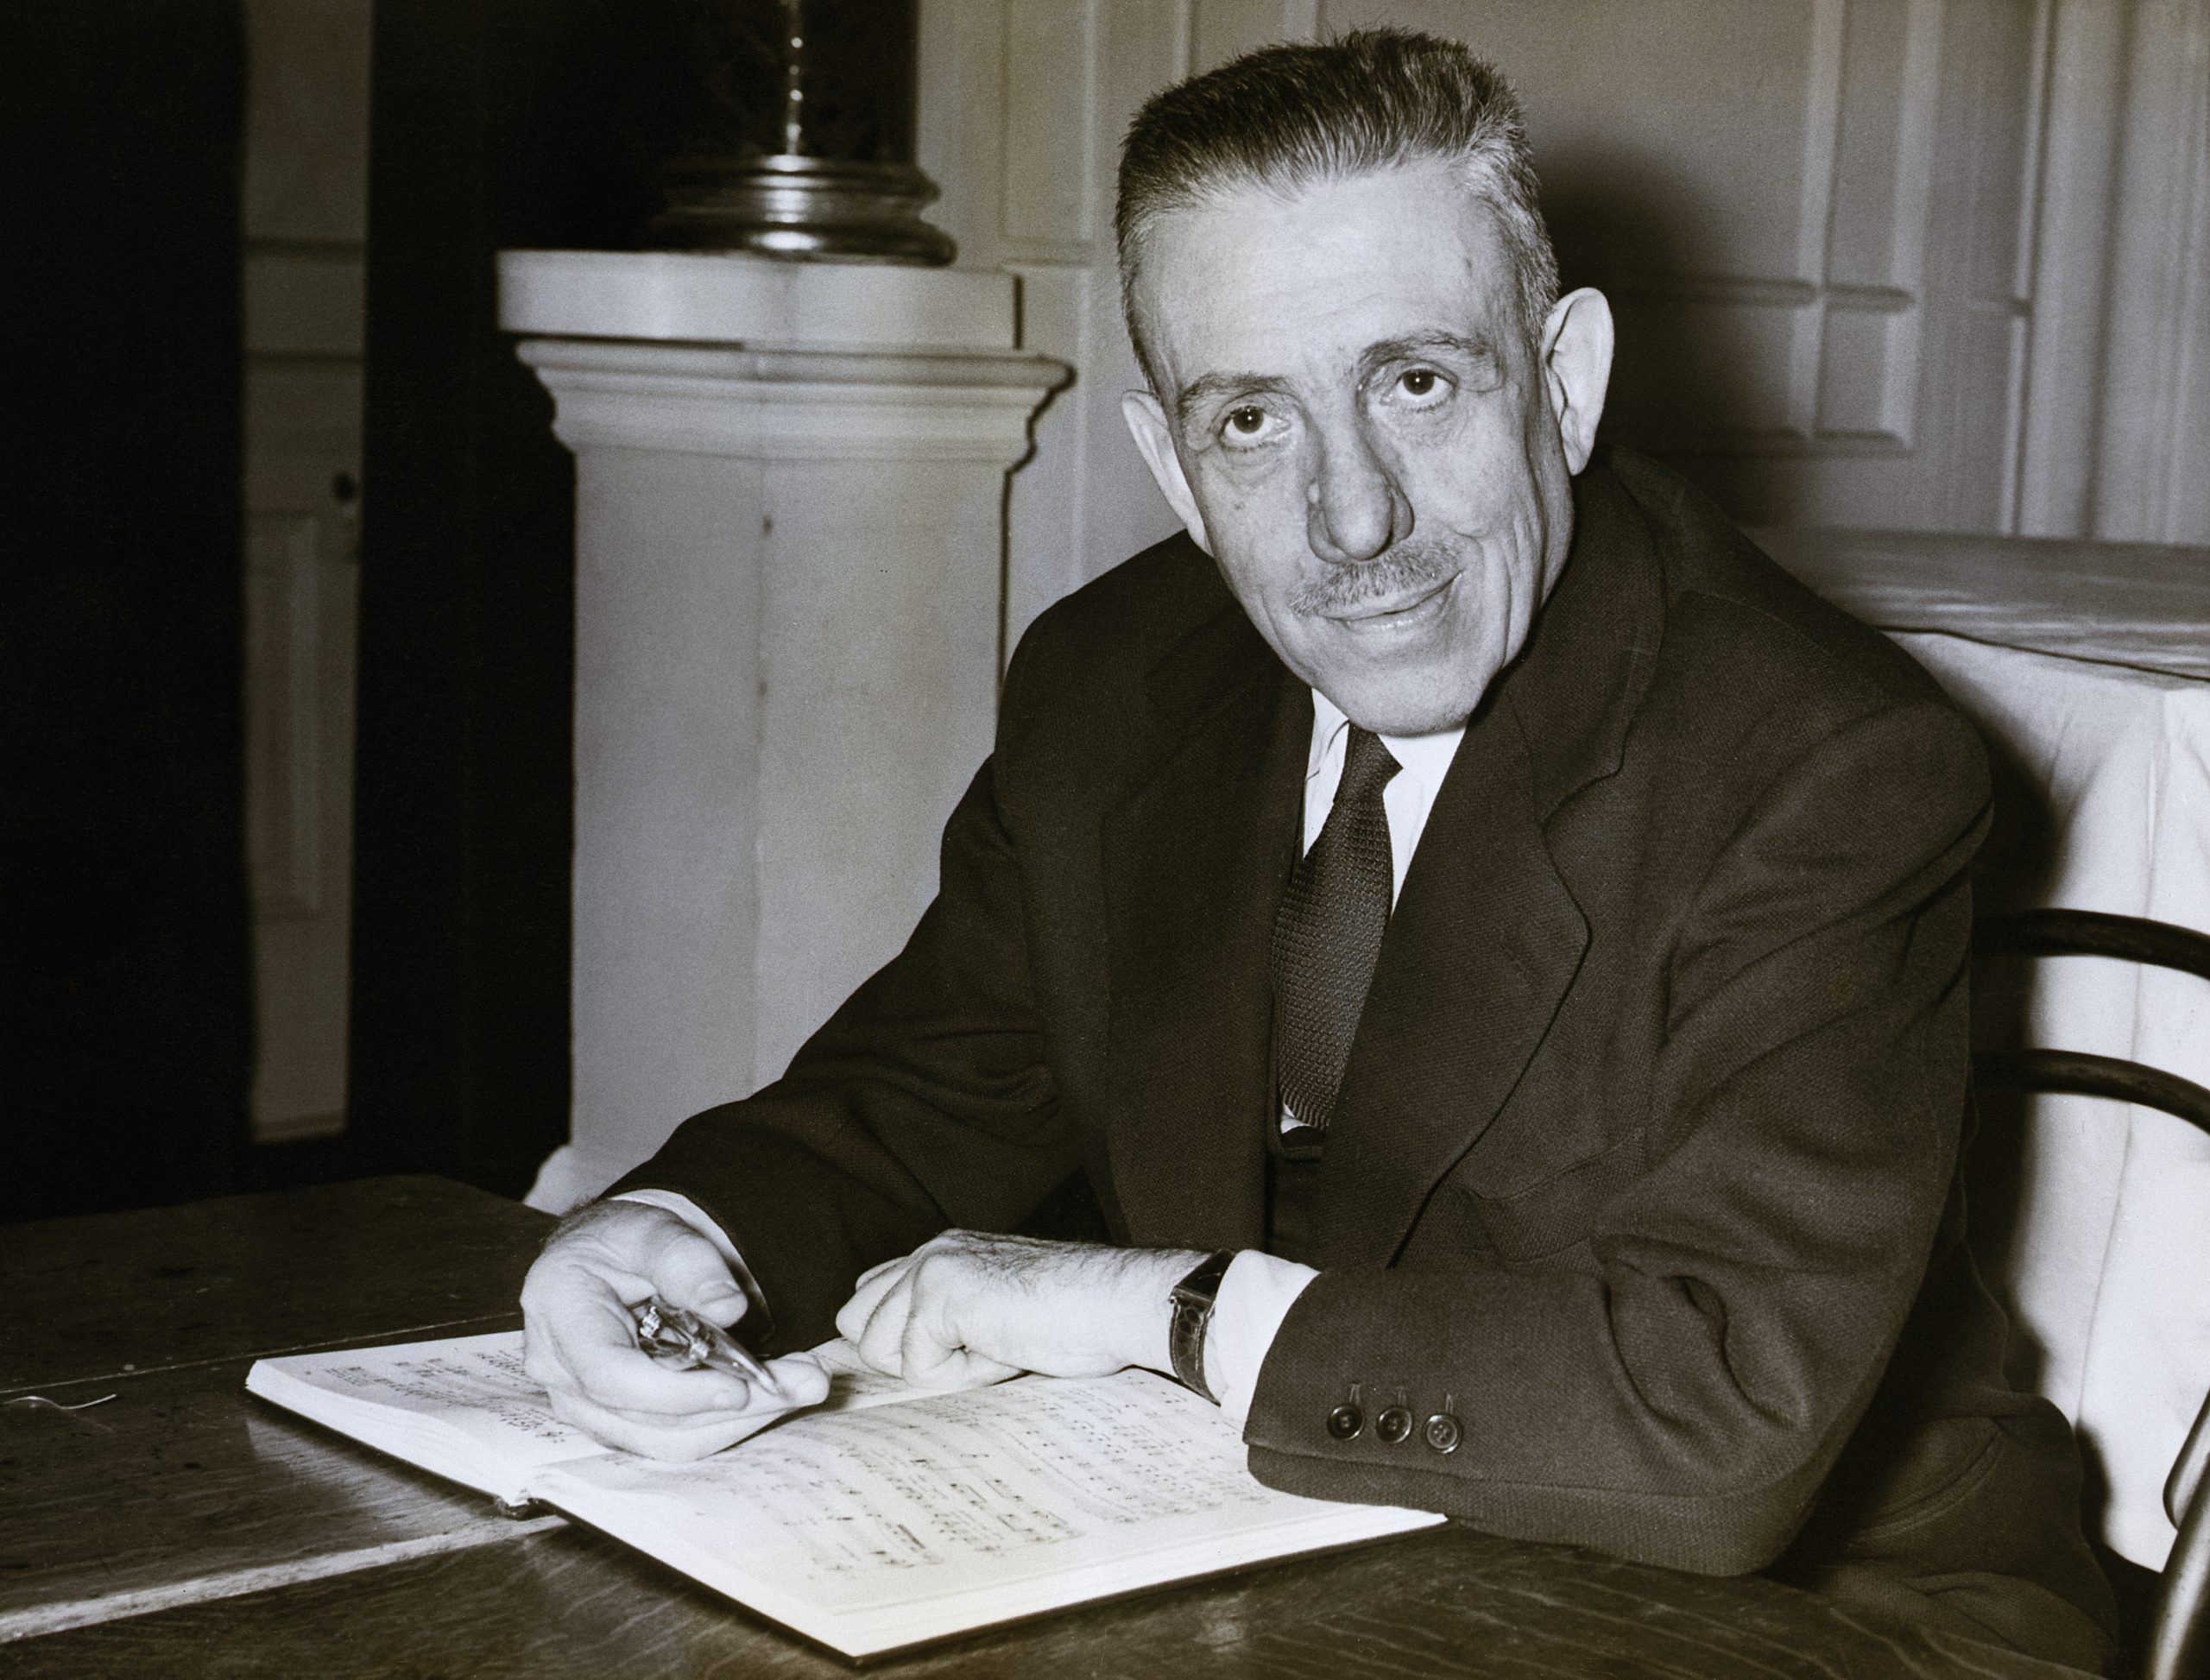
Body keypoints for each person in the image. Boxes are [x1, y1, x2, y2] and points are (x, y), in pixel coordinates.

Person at [520, 29, 2118, 1671]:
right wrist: (677, 1231)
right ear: (1172, 466)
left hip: (1827, 1616)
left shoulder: (1824, 762)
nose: (1352, 520)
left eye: (1416, 382)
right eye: (1253, 424)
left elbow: (1717, 1415)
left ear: (1562, 382)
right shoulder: (1110, 689)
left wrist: (1164, 1308)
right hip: (1314, 1552)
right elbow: (938, 1080)